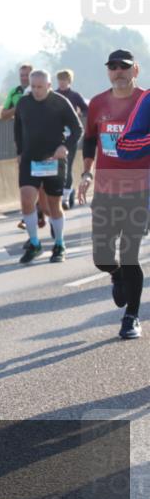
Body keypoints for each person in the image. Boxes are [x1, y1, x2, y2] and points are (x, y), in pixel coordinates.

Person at [85, 49, 149, 338]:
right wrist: (86, 173)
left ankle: (131, 317)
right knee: (102, 257)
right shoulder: (98, 103)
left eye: (123, 67)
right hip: (105, 188)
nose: (118, 72)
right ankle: (116, 274)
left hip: (139, 188)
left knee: (130, 252)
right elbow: (89, 140)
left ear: (135, 70)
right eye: (112, 67)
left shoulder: (145, 101)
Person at [14, 69, 83, 264]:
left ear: (49, 86)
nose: (36, 91)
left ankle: (59, 244)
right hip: (30, 159)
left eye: (40, 87)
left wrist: (65, 147)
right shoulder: (23, 103)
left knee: (54, 205)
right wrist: (19, 152)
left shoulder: (60, 102)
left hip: (53, 159)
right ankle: (34, 243)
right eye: (33, 87)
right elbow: (18, 128)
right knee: (27, 199)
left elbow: (78, 129)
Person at [3, 63, 49, 232]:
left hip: (44, 146)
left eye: (26, 75)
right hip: (24, 144)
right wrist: (19, 106)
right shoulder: (15, 93)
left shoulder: (43, 92)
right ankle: (31, 215)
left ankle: (44, 212)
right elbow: (3, 115)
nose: (23, 78)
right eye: (21, 75)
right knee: (27, 184)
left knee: (42, 183)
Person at [56, 69, 89, 210]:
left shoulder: (75, 96)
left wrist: (79, 114)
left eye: (65, 79)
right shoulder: (54, 95)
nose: (62, 82)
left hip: (72, 135)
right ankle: (57, 193)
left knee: (67, 165)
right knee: (56, 167)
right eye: (60, 79)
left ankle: (65, 198)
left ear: (70, 81)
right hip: (56, 135)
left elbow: (87, 110)